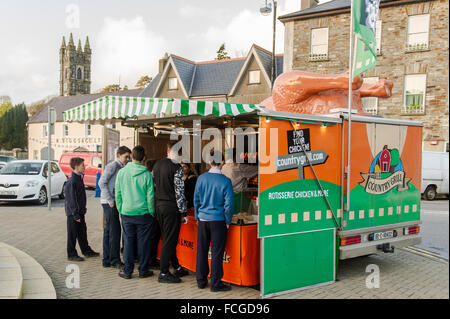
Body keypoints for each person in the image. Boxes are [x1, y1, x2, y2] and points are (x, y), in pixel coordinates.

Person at [194, 151, 234, 292]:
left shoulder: (201, 179)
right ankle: (216, 284)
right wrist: (227, 221)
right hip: (218, 221)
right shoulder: (226, 181)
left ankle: (201, 281)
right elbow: (228, 205)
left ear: (209, 162)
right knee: (217, 253)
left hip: (203, 219)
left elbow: (196, 200)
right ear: (222, 162)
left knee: (202, 250)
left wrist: (198, 216)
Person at [152, 142, 189, 283]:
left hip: (159, 205)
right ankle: (163, 273)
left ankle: (176, 266)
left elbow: (154, 186)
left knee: (167, 237)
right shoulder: (177, 168)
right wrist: (184, 213)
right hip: (171, 207)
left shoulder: (157, 165)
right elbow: (179, 192)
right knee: (170, 240)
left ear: (168, 150)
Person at [115, 146, 154, 279]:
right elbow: (150, 197)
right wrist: (151, 212)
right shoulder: (147, 175)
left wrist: (121, 209)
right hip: (144, 214)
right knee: (143, 243)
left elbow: (118, 194)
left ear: (131, 157)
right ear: (144, 158)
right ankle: (143, 270)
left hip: (127, 213)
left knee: (128, 242)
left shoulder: (122, 172)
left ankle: (127, 271)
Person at [99, 146, 131, 269]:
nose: (127, 159)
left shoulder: (121, 167)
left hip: (110, 201)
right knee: (114, 231)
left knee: (108, 231)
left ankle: (107, 259)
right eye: (125, 157)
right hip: (109, 202)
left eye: (128, 157)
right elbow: (102, 182)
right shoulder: (113, 166)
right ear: (118, 156)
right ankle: (114, 260)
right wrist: (110, 200)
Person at [65, 157, 99, 261]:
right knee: (72, 233)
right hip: (74, 213)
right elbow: (71, 199)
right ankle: (71, 253)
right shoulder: (72, 181)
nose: (84, 167)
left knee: (82, 232)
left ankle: (86, 250)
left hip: (80, 212)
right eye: (82, 165)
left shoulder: (79, 178)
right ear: (76, 167)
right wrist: (75, 214)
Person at [146, 158, 161, 269]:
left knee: (151, 237)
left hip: (150, 211)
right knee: (153, 237)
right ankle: (151, 260)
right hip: (153, 211)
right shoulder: (152, 178)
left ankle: (150, 259)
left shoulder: (148, 176)